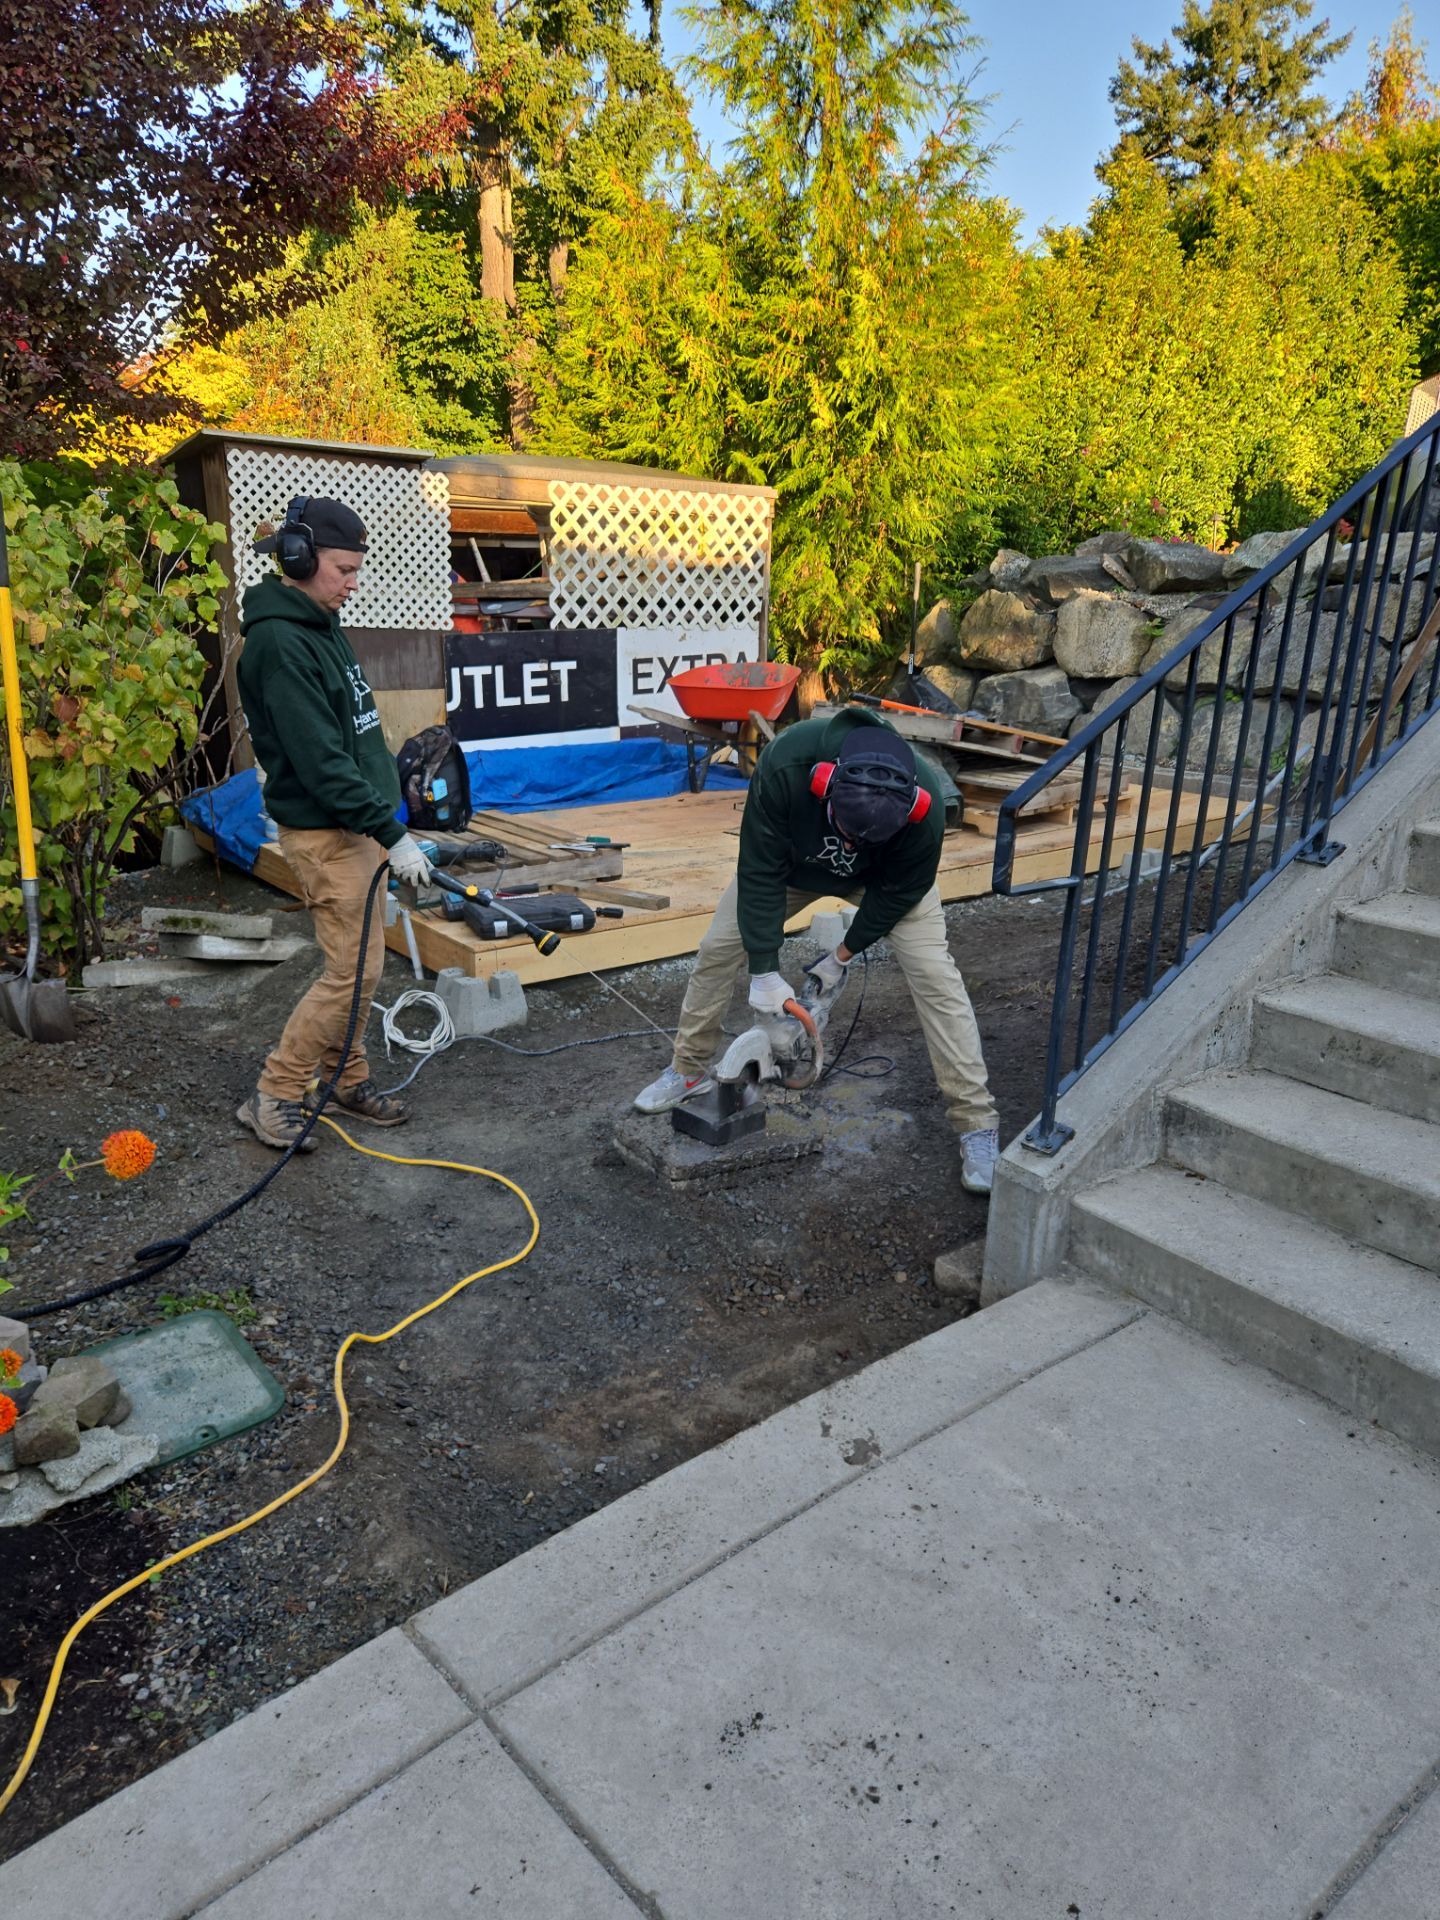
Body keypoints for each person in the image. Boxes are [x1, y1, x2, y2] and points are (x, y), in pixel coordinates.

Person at [634, 706, 1002, 1193]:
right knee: (719, 947)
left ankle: (976, 1122)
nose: (850, 843)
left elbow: (898, 895)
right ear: (824, 784)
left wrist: (840, 957)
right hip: (792, 871)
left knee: (937, 976)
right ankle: (687, 1069)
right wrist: (764, 971)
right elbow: (759, 872)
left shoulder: (928, 805)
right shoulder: (786, 764)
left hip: (882, 882)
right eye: (845, 830)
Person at [233, 497, 434, 1151]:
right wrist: (393, 831)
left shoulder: (318, 622)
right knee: (351, 974)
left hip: (358, 827)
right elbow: (320, 763)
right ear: (299, 557)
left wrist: (388, 820)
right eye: (344, 568)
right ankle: (276, 1093)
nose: (354, 581)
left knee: (364, 967)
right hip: (327, 833)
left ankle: (345, 1079)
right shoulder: (280, 645)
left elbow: (354, 735)